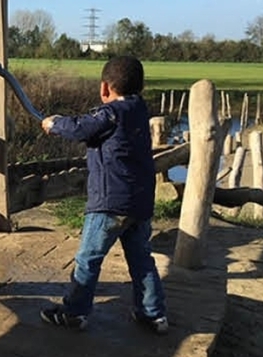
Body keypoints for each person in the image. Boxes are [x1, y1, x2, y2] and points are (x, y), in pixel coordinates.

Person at [38, 55, 168, 334]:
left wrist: (54, 123)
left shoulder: (111, 113)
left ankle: (74, 312)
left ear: (105, 88)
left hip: (109, 204)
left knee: (88, 260)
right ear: (140, 87)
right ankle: (153, 314)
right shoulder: (139, 109)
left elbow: (81, 127)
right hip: (140, 204)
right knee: (142, 260)